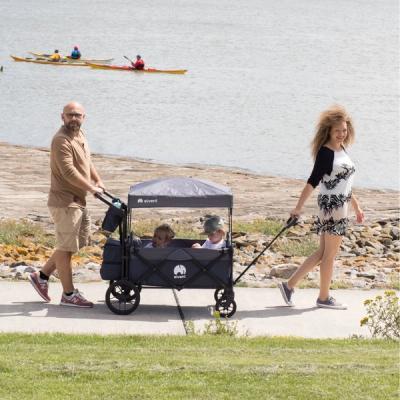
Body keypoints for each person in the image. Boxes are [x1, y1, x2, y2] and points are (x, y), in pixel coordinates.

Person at [278, 105, 364, 310]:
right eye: (337, 131)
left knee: (323, 252)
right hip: (333, 207)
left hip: (339, 205)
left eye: (344, 130)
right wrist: (298, 208)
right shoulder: (326, 153)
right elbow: (312, 181)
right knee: (329, 256)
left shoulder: (341, 149)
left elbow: (343, 183)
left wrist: (357, 207)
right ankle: (324, 298)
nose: (341, 134)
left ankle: (289, 286)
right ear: (329, 131)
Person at [29, 102, 105, 308]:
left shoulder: (80, 135)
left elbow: (87, 162)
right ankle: (69, 294)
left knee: (73, 245)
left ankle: (42, 276)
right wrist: (92, 188)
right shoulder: (61, 140)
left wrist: (97, 180)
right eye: (70, 115)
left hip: (78, 200)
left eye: (77, 115)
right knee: (65, 247)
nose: (74, 118)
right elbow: (69, 172)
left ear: (83, 118)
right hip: (64, 202)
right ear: (62, 117)